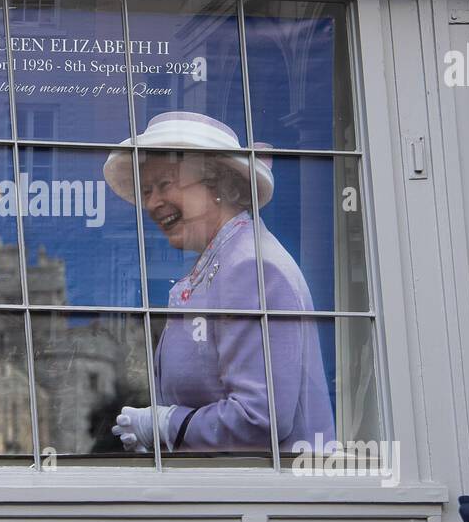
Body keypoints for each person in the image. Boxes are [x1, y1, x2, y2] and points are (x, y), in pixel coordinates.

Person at [102, 111, 334, 455]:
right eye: (147, 190)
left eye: (166, 184)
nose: (151, 203)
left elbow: (261, 417)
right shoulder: (224, 261)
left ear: (219, 185)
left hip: (268, 500)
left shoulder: (251, 267)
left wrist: (166, 425)